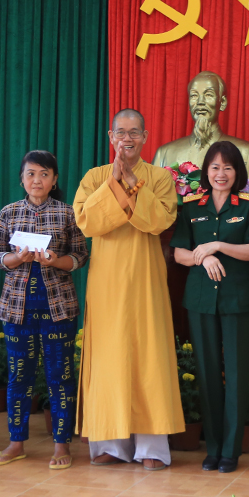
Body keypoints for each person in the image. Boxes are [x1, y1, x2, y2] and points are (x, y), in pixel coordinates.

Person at [73, 109, 184, 469]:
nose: (127, 138)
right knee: (110, 357)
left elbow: (160, 221)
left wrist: (134, 185)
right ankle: (111, 444)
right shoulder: (95, 177)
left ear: (145, 137)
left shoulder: (160, 178)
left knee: (148, 357)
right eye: (121, 132)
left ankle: (151, 448)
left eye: (134, 132)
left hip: (146, 278)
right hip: (106, 281)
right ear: (111, 137)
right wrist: (115, 184)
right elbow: (87, 221)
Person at [0, 150, 88, 470]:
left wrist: (55, 261)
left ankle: (61, 445)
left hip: (58, 307)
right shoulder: (8, 212)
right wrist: (16, 259)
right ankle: (16, 443)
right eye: (31, 173)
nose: (37, 180)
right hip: (17, 308)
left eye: (44, 174)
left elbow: (80, 255)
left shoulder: (67, 213)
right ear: (22, 178)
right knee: (20, 376)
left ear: (54, 180)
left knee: (60, 376)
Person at [171, 141, 249, 474]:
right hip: (200, 300)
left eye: (228, 167)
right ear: (206, 172)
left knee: (237, 375)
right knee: (207, 373)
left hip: (238, 300)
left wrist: (219, 245)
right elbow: (179, 253)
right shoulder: (191, 206)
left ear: (238, 172)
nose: (221, 173)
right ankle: (212, 448)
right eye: (215, 167)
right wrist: (204, 256)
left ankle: (231, 450)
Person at [152, 70, 249, 182]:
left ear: (222, 102)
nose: (200, 102)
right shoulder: (164, 153)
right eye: (194, 95)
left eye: (208, 95)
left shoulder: (247, 153)